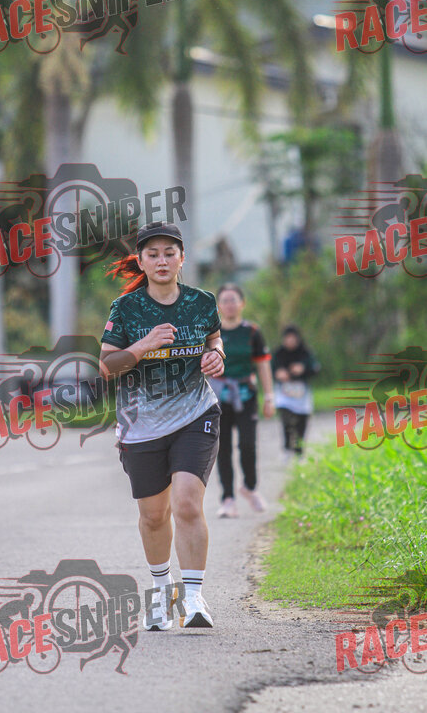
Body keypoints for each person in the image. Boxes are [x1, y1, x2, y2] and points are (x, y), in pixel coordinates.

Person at [99, 221, 225, 630]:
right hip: (142, 425)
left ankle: (194, 598)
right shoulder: (126, 309)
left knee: (187, 503)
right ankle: (160, 590)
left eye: (169, 253)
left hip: (195, 414)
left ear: (182, 258)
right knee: (154, 516)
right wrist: (143, 345)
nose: (162, 261)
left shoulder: (202, 302)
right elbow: (107, 366)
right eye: (152, 254)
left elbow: (214, 338)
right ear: (141, 261)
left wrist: (217, 354)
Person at [209, 284, 274, 519]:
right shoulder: (212, 333)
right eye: (225, 301)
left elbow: (263, 364)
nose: (229, 305)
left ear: (242, 303)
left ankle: (250, 487)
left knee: (248, 443)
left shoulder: (252, 332)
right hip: (219, 397)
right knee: (223, 447)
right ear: (219, 306)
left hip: (246, 395)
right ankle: (228, 498)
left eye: (233, 300)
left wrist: (269, 397)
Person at [272, 325, 319, 457]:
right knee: (286, 419)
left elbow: (315, 368)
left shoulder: (305, 353)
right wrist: (278, 373)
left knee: (301, 421)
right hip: (284, 392)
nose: (290, 341)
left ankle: (299, 449)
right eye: (288, 338)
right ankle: (287, 447)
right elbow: (270, 368)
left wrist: (303, 369)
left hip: (301, 392)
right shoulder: (278, 353)